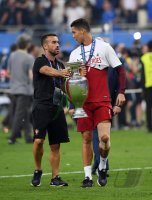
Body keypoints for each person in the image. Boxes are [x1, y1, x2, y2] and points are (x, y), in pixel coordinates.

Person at [69, 18, 126, 187]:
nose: (72, 36)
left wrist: (121, 93)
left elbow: (120, 70)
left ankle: (102, 165)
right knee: (86, 138)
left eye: (74, 32)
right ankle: (87, 177)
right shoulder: (74, 54)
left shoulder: (104, 47)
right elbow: (72, 81)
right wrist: (77, 74)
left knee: (104, 138)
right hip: (84, 102)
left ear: (83, 31)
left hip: (102, 100)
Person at [31, 33, 71, 187]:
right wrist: (61, 73)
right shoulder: (39, 61)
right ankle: (38, 169)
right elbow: (46, 70)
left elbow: (63, 86)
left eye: (58, 42)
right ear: (45, 46)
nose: (57, 45)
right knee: (39, 141)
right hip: (42, 106)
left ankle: (55, 178)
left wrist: (71, 103)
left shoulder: (61, 64)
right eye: (53, 42)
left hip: (57, 107)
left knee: (55, 145)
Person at [7, 36, 34, 144]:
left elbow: (8, 73)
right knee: (19, 115)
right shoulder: (29, 58)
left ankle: (28, 137)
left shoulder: (12, 55)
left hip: (14, 89)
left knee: (25, 114)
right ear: (27, 44)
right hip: (24, 90)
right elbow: (31, 76)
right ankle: (12, 137)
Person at [141, 40, 152, 133]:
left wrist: (142, 88)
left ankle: (149, 126)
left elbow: (142, 74)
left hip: (148, 85)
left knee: (149, 107)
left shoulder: (144, 58)